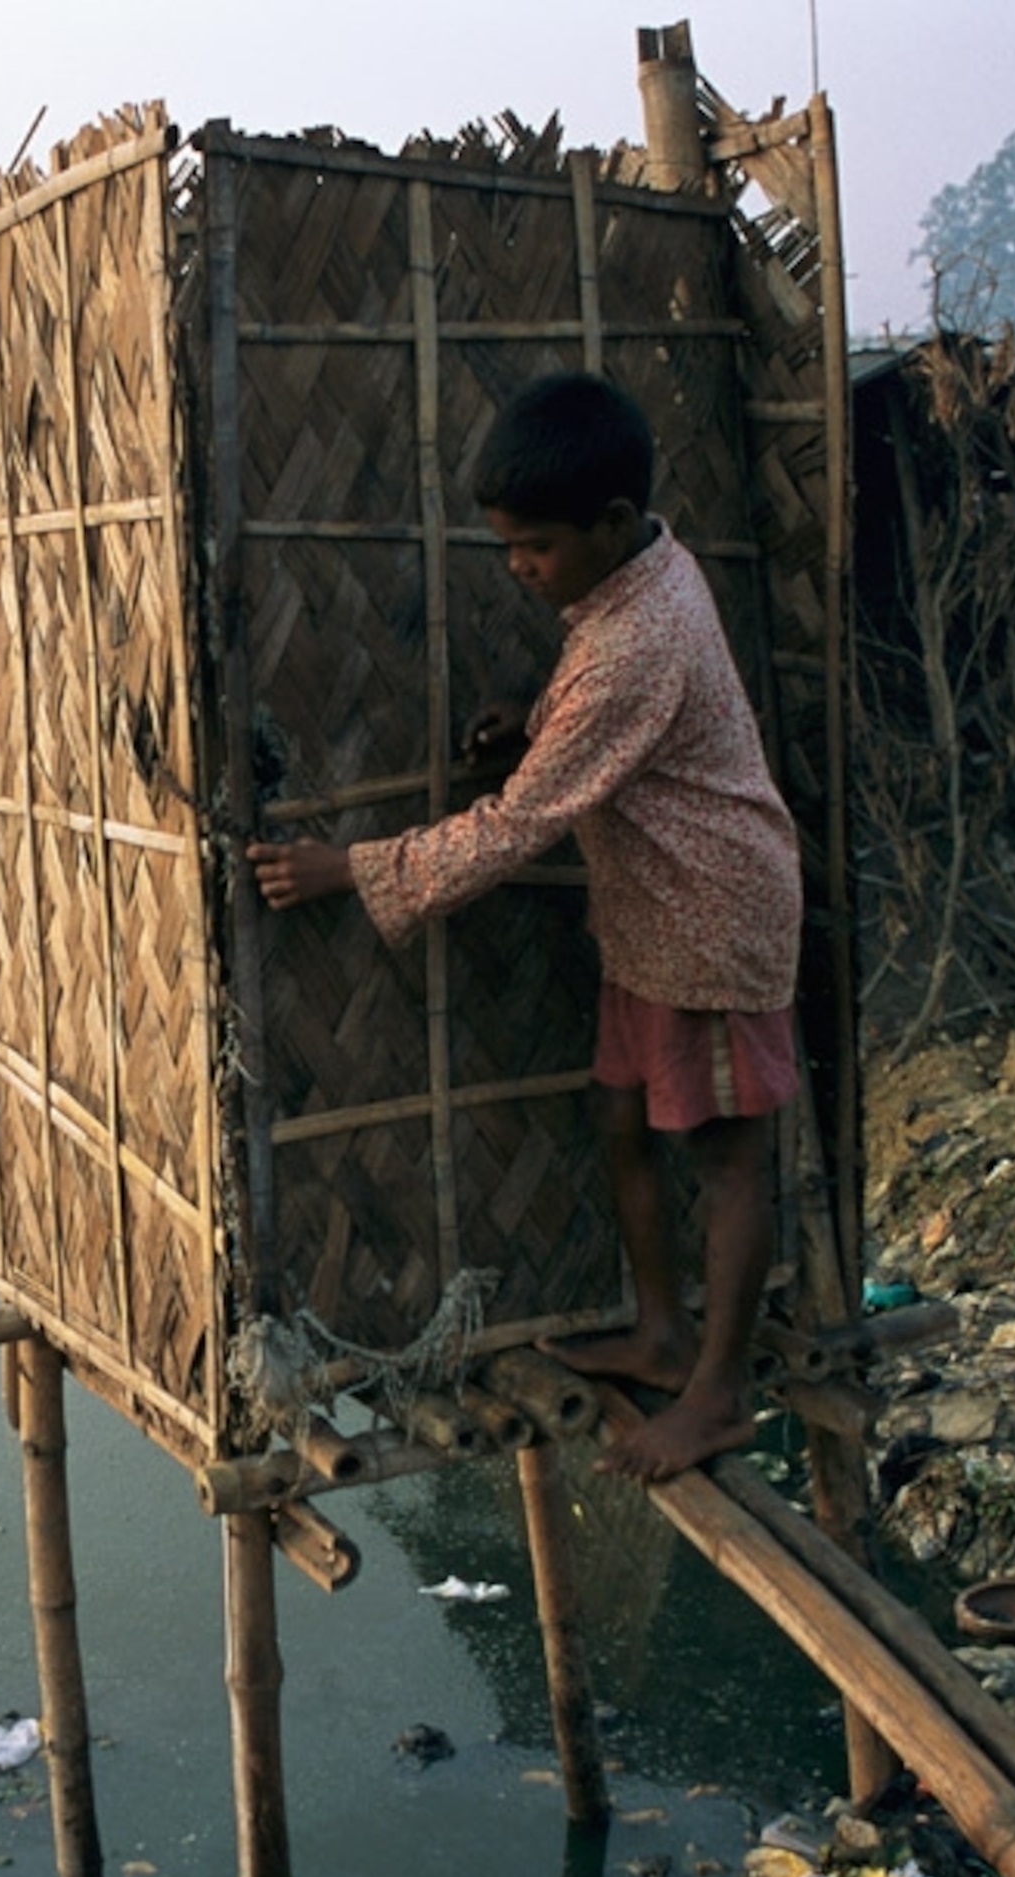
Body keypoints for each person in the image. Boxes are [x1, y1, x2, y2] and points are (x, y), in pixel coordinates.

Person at [246, 370, 803, 1482]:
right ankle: (660, 1328)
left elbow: (517, 826)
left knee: (733, 1155)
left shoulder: (636, 641)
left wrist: (350, 867)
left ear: (607, 523)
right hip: (652, 914)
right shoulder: (641, 572)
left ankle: (720, 1393)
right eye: (508, 546)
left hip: (712, 917)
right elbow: (597, 704)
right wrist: (540, 717)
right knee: (615, 1110)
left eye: (536, 548)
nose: (519, 568)